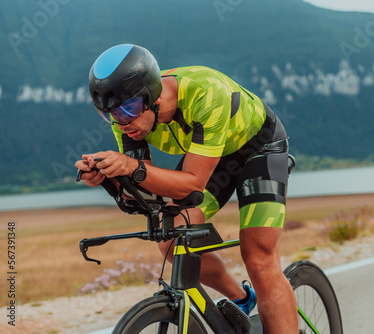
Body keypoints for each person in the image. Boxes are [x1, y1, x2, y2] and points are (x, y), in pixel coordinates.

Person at [75, 44, 298, 333]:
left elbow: (193, 183)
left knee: (258, 258)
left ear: (152, 96)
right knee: (170, 239)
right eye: (111, 115)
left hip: (258, 149)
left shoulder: (207, 94)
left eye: (128, 109)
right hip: (209, 156)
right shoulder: (126, 118)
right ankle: (241, 299)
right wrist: (108, 178)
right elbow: (142, 193)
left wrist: (130, 168)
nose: (122, 122)